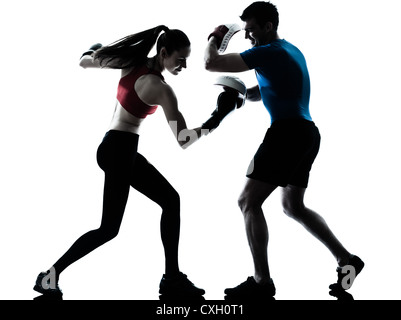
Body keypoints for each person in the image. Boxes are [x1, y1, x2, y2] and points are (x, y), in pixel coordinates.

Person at [204, 2, 364, 300]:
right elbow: (268, 90)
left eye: (251, 30)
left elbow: (211, 63)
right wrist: (240, 96)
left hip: (287, 134)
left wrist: (215, 37)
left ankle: (261, 283)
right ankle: (347, 260)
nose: (248, 37)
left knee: (247, 202)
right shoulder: (289, 50)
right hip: (307, 134)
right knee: (293, 206)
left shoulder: (269, 51)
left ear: (268, 26)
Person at [34, 26, 208, 299]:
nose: (185, 66)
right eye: (180, 59)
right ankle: (49, 276)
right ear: (163, 53)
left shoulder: (130, 61)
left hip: (112, 147)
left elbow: (84, 61)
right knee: (109, 228)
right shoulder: (161, 89)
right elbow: (184, 139)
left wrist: (95, 48)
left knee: (169, 201)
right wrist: (218, 118)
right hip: (121, 151)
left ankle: (171, 277)